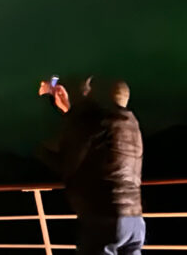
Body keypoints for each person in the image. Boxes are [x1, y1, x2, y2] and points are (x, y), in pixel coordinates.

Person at [39, 77, 145, 254]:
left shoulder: (99, 123)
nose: (88, 95)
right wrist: (68, 109)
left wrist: (40, 151)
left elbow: (66, 160)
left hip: (104, 218)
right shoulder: (131, 125)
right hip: (134, 220)